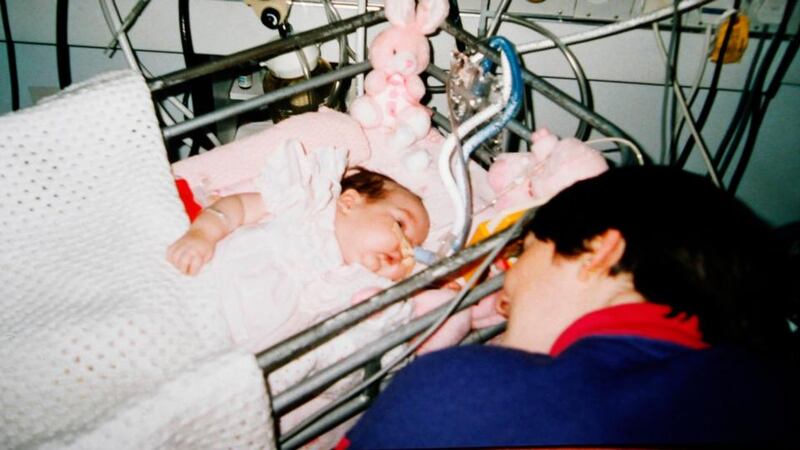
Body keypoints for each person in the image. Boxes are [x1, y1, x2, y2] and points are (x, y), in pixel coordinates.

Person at [341, 165, 798, 449]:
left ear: (597, 251)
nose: (506, 287)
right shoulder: (768, 395)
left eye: (525, 253)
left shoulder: (461, 390)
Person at [167, 141, 430, 352]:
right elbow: (239, 207)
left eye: (415, 246)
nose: (405, 248)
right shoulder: (306, 204)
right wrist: (202, 234)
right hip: (204, 291)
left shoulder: (360, 288)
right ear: (349, 202)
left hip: (235, 353)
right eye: (400, 224)